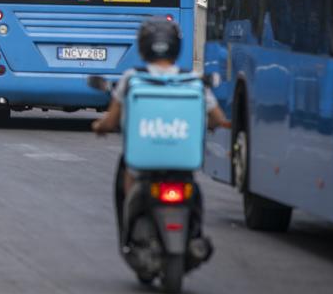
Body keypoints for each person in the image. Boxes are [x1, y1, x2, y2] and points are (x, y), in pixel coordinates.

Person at [92, 19, 230, 233]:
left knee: (128, 172)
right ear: (176, 47)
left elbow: (110, 121)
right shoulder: (193, 81)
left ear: (143, 47)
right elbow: (219, 119)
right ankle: (195, 233)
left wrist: (99, 127)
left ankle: (129, 230)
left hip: (142, 166)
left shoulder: (131, 79)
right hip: (183, 165)